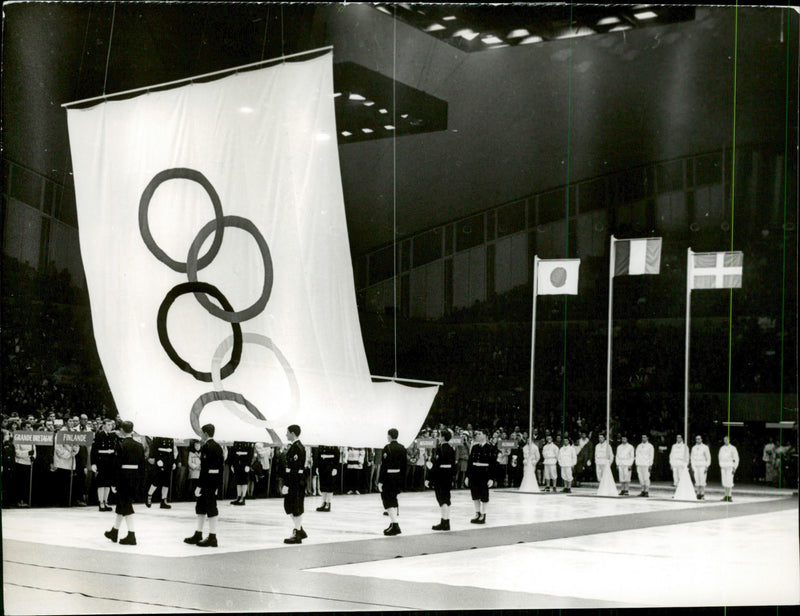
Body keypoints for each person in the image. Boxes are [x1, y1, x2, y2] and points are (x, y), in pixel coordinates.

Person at [104, 421, 145, 546]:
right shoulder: (139, 445)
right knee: (122, 504)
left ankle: (131, 535)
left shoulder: (121, 445)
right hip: (134, 478)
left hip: (123, 478)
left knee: (126, 505)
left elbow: (116, 465)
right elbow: (143, 466)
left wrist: (114, 482)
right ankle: (114, 531)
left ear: (122, 430)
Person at [184, 423, 224, 547]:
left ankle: (213, 536)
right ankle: (199, 533)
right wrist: (218, 484)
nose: (200, 435)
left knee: (210, 507)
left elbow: (205, 469)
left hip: (207, 482)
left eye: (201, 433)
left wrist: (199, 486)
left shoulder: (207, 447)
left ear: (206, 433)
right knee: (201, 507)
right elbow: (221, 467)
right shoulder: (218, 447)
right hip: (214, 481)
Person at [281, 425, 308, 544]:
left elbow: (295, 468)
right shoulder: (295, 447)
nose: (286, 435)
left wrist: (287, 484)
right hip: (294, 480)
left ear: (292, 433)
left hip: (295, 481)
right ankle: (299, 530)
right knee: (290, 506)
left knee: (295, 507)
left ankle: (297, 533)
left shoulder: (297, 448)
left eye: (287, 432)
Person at [378, 428, 406, 536]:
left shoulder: (387, 448)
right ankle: (393, 522)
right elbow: (404, 466)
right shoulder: (402, 448)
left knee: (387, 499)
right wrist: (402, 480)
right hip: (398, 476)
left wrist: (380, 481)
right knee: (393, 498)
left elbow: (384, 466)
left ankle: (395, 524)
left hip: (389, 477)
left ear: (389, 436)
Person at [427, 429, 456, 530]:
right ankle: (446, 521)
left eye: (439, 435)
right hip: (448, 476)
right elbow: (453, 466)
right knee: (446, 499)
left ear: (443, 437)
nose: (438, 437)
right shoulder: (452, 449)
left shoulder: (440, 449)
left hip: (441, 476)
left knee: (442, 499)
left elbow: (436, 465)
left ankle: (444, 521)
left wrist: (429, 478)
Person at [466, 429, 496, 524]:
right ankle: (477, 513)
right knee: (475, 495)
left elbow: (493, 464)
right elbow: (470, 463)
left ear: (485, 435)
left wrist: (491, 478)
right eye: (476, 434)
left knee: (484, 495)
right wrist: (467, 476)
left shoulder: (490, 448)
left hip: (484, 474)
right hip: (474, 473)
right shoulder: (474, 447)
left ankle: (484, 514)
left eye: (479, 434)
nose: (477, 435)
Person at [91, 417, 117, 511]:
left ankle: (106, 501)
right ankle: (100, 502)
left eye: (111, 425)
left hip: (110, 461)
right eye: (108, 425)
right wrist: (93, 463)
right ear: (104, 425)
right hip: (101, 461)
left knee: (108, 483)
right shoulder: (99, 435)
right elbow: (94, 450)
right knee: (101, 483)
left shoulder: (112, 435)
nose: (110, 427)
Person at [146, 435, 177, 509]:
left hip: (168, 461)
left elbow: (172, 450)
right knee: (156, 481)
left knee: (166, 482)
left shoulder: (170, 438)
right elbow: (154, 449)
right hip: (160, 460)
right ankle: (149, 496)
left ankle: (163, 501)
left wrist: (173, 462)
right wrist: (157, 459)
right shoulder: (158, 437)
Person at [227, 441, 253, 506]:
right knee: (238, 481)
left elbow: (250, 454)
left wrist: (248, 465)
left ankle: (243, 497)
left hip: (244, 465)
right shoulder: (236, 443)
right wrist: (232, 464)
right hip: (237, 464)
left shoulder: (248, 443)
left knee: (244, 481)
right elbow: (232, 453)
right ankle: (238, 497)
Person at [315, 444, 339, 512]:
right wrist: (317, 466)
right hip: (322, 467)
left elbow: (337, 456)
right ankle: (324, 502)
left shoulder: (334, 445)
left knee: (329, 486)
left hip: (330, 467)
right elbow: (318, 456)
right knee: (323, 486)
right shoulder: (321, 445)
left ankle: (328, 503)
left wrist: (335, 468)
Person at [718, 435, 739, 502]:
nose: (725, 441)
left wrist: (734, 467)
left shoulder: (733, 448)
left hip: (730, 466)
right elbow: (720, 457)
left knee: (729, 481)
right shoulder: (722, 448)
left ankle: (729, 496)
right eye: (724, 440)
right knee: (724, 481)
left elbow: (736, 458)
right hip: (723, 466)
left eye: (727, 439)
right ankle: (725, 495)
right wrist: (721, 465)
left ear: (729, 440)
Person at [690, 435, 711, 500]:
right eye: (696, 439)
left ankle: (702, 494)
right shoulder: (693, 448)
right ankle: (698, 493)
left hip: (702, 465)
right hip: (696, 466)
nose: (698, 440)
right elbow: (692, 458)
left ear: (701, 439)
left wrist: (707, 466)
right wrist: (693, 466)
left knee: (702, 480)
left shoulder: (705, 447)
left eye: (699, 439)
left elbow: (708, 458)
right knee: (697, 480)